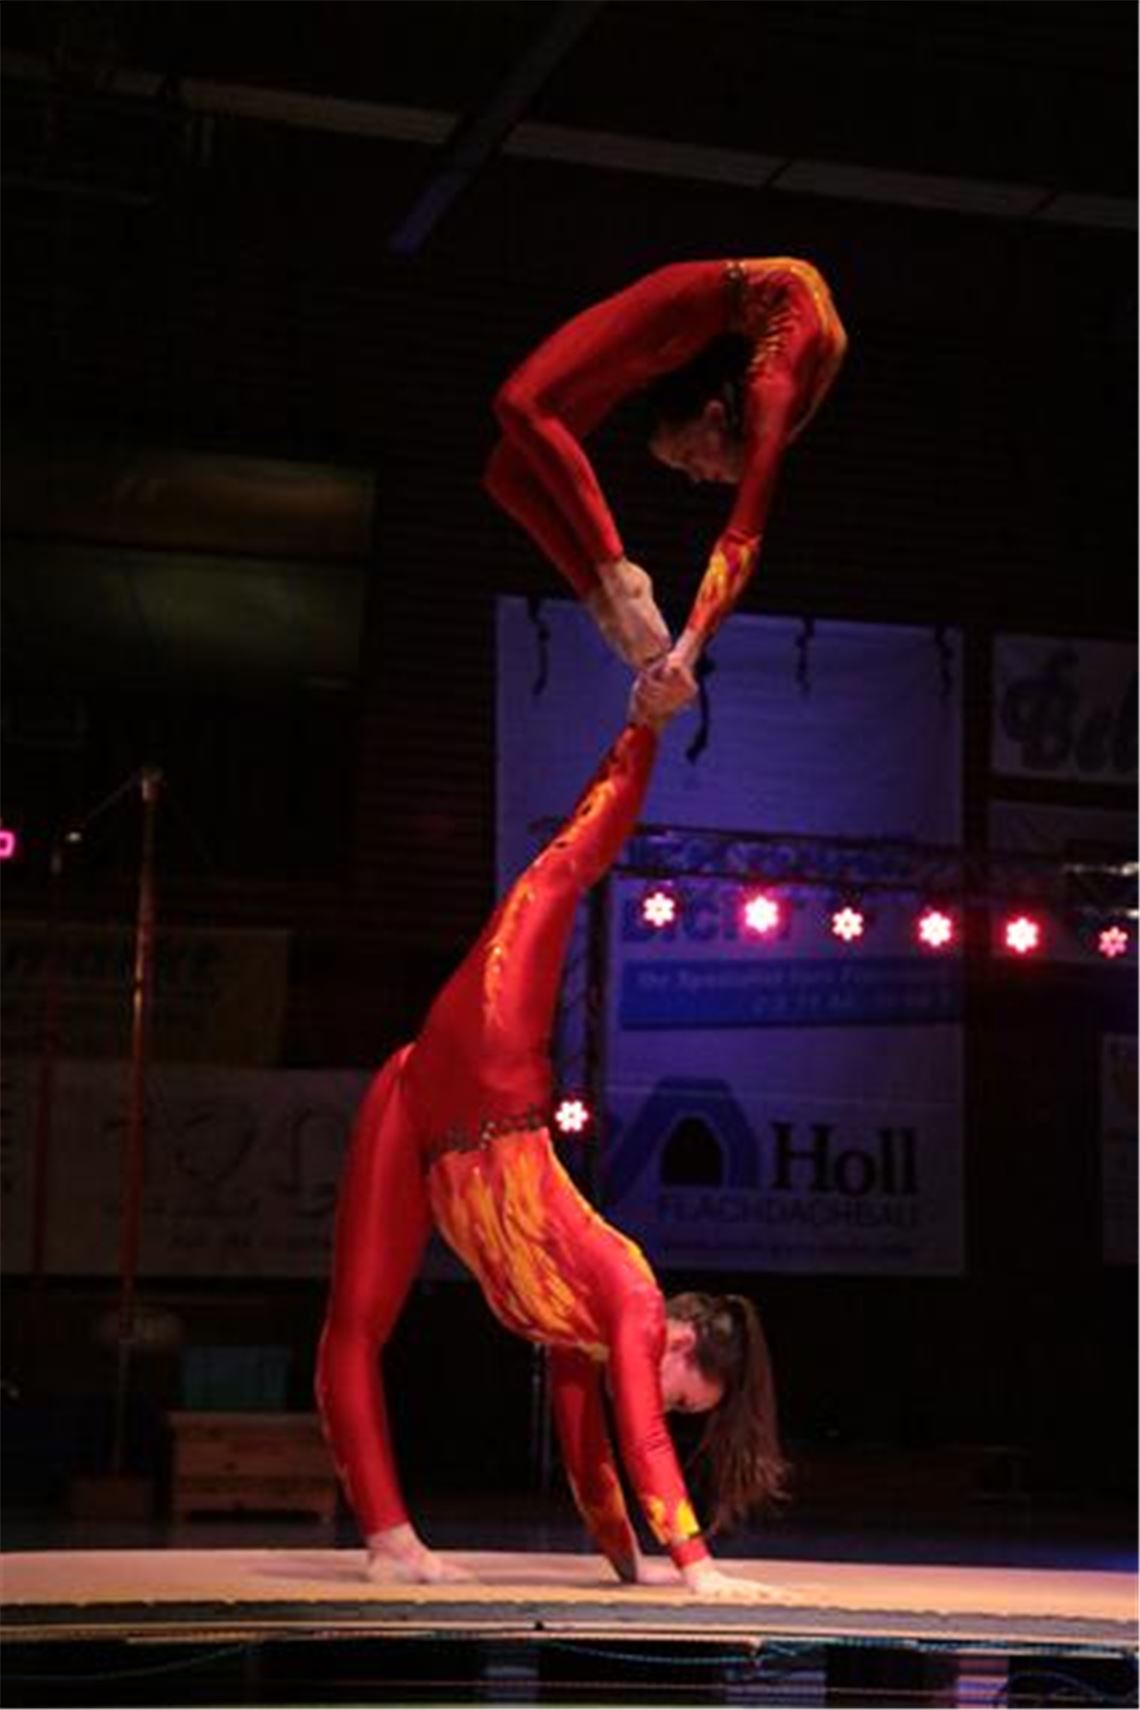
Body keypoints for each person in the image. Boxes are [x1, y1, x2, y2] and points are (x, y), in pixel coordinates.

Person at [317, 660, 788, 1597]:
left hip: (415, 1105)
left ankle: (388, 1538)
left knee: (355, 1324)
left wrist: (628, 1571)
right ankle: (642, 721)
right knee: (562, 873)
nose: (663, 1404)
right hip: (492, 1072)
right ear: (683, 1345)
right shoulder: (634, 1299)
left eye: (678, 1408)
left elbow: (592, 1459)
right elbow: (639, 1434)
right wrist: (696, 1568)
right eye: (684, 1393)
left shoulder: (583, 1336)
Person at [484, 257, 846, 673]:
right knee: (517, 414)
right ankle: (617, 579)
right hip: (689, 302)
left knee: (508, 470)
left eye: (686, 462)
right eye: (689, 458)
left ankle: (600, 599)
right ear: (713, 415)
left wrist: (675, 664)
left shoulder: (764, 401)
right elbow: (742, 540)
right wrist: (680, 644)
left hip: (693, 329)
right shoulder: (770, 399)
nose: (695, 477)